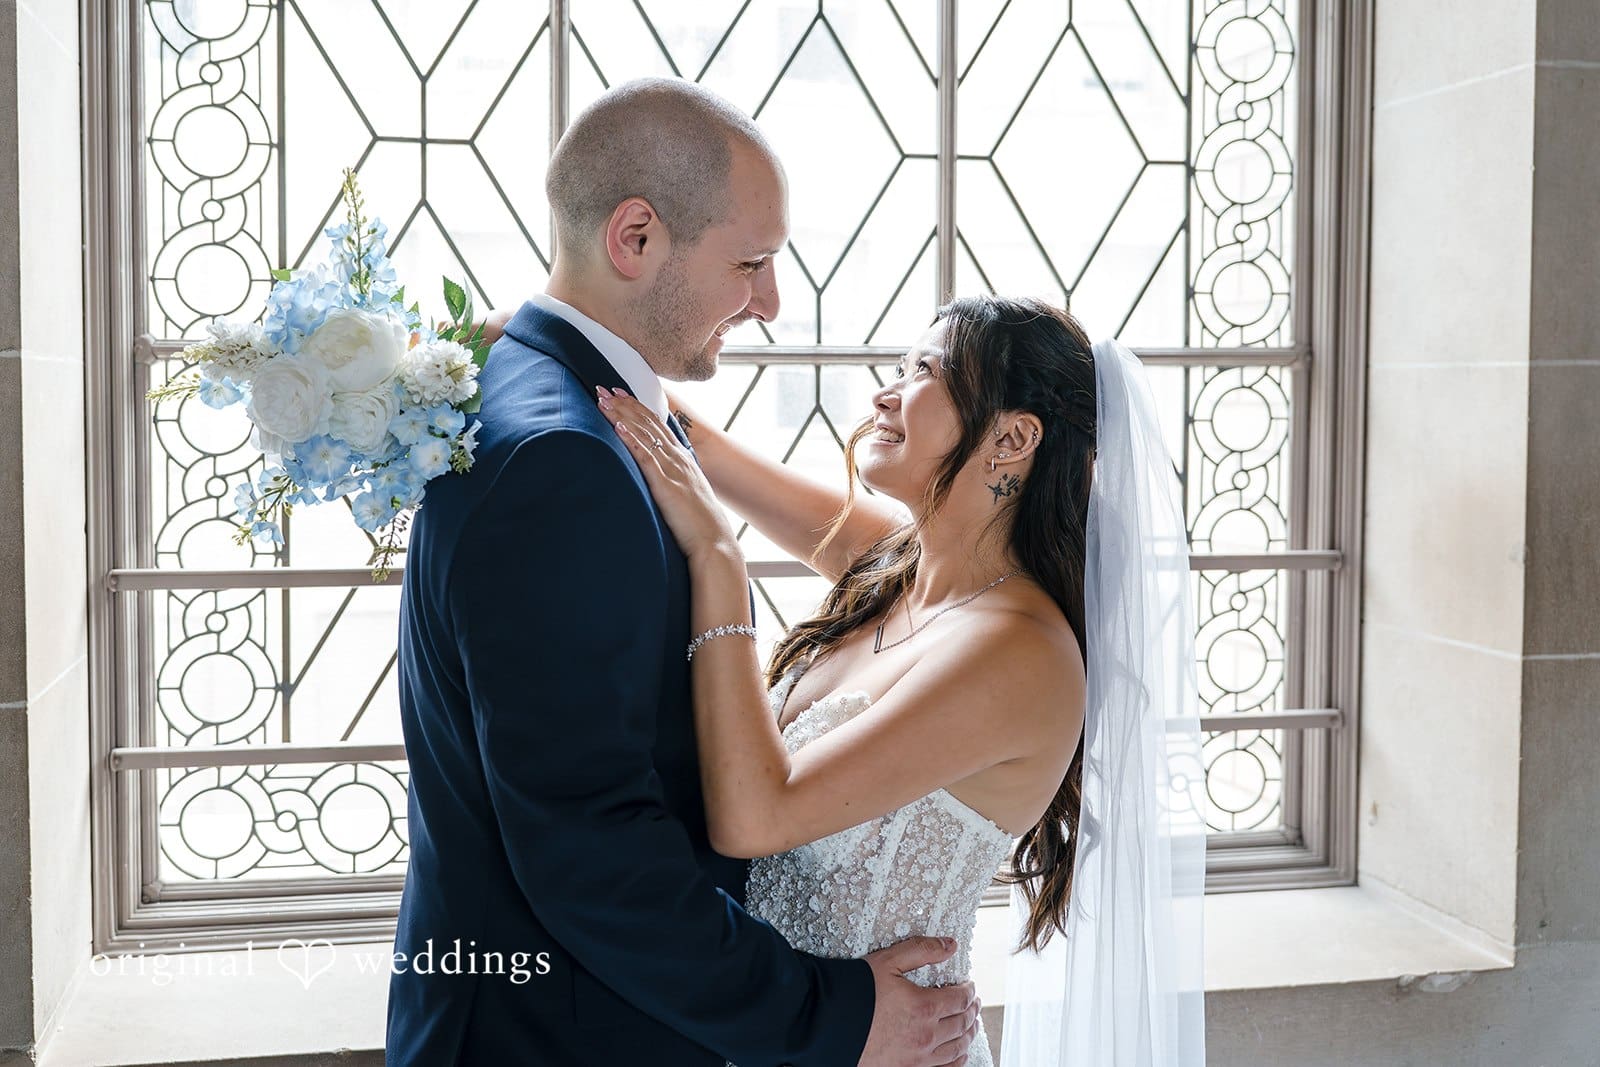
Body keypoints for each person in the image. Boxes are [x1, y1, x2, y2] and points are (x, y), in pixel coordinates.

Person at [388, 77, 981, 1066]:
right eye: (750, 263)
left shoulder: (535, 381)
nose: (770, 302)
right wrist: (828, 1015)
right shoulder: (563, 464)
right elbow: (593, 848)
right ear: (635, 237)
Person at [594, 295, 1208, 1066]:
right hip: (788, 1031)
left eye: (924, 372)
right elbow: (690, 444)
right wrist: (510, 336)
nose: (885, 394)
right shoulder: (896, 562)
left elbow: (755, 816)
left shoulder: (1018, 653)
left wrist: (719, 560)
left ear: (1013, 438)